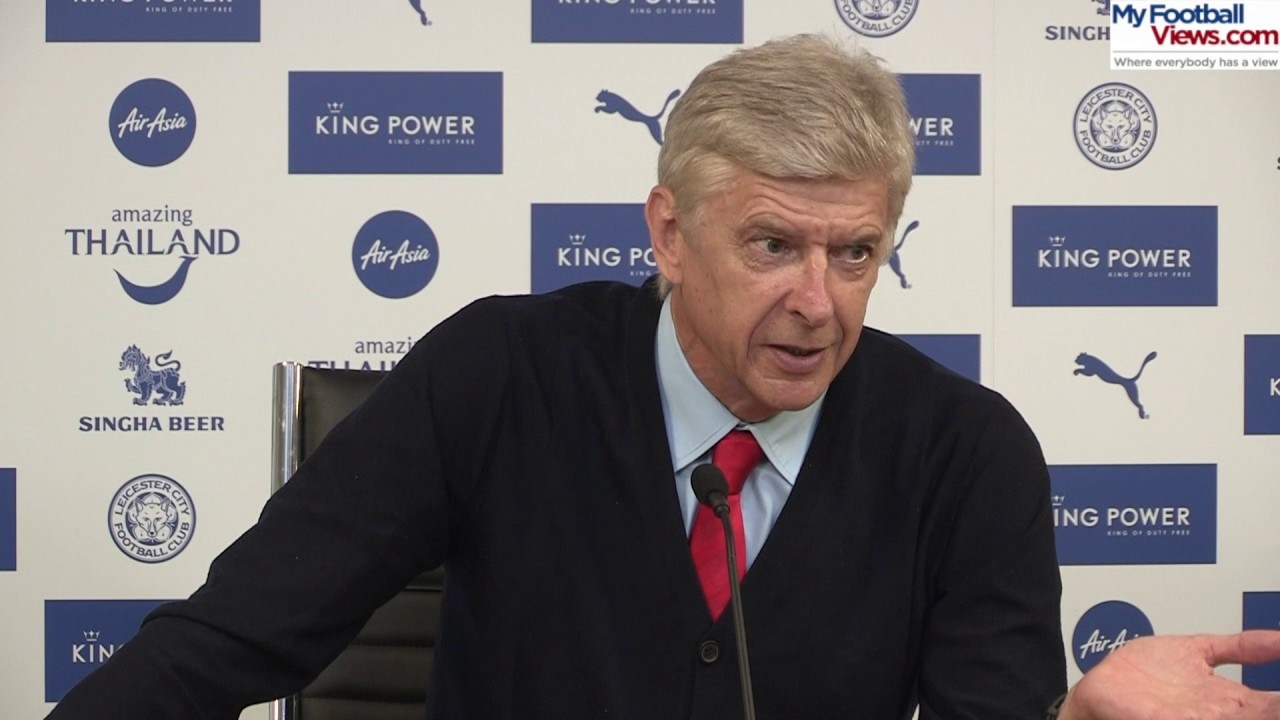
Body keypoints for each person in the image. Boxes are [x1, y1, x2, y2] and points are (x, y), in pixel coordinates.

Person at [48, 34, 1280, 720]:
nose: (817, 302)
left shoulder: (964, 451)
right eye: (771, 246)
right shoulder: (498, 375)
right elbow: (228, 642)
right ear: (669, 234)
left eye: (855, 253)